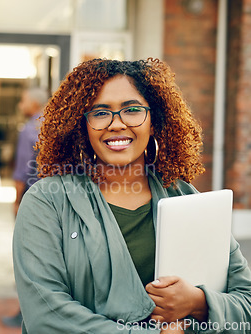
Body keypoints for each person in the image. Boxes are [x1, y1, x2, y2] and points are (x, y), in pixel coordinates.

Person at [13, 59, 251, 333]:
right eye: (100, 112)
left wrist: (198, 302)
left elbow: (246, 305)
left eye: (132, 110)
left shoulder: (187, 200)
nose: (117, 124)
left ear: (155, 120)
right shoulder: (47, 202)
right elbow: (46, 317)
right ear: (82, 125)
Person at [2, 87, 48, 328]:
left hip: (34, 200)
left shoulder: (30, 128)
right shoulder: (55, 125)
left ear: (33, 103)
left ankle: (26, 313)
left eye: (23, 101)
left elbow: (22, 170)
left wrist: (16, 201)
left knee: (28, 259)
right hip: (56, 198)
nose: (21, 105)